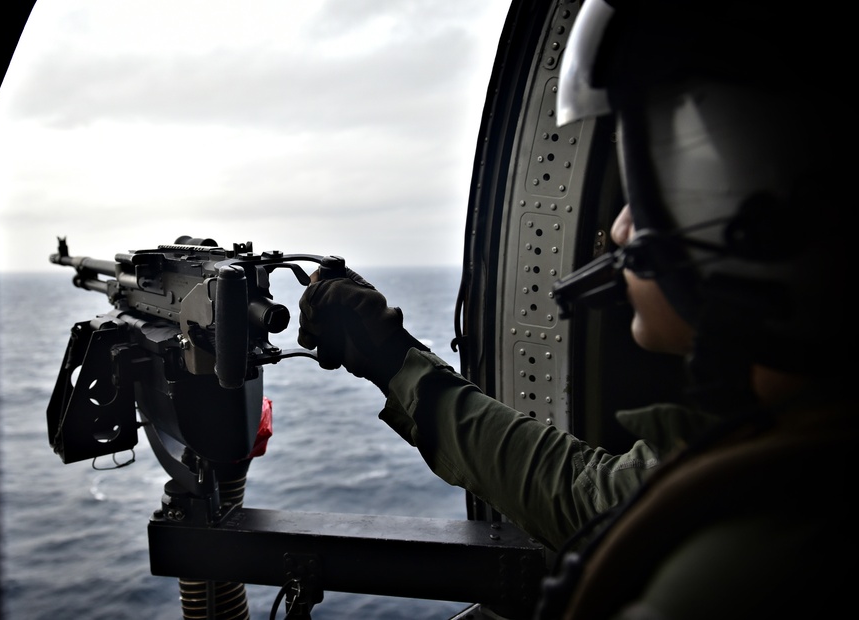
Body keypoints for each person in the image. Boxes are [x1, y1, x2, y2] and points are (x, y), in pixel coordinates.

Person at [297, 0, 855, 617]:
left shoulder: (735, 561)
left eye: (643, 190)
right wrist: (392, 361)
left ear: (747, 210)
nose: (619, 231)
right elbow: (580, 495)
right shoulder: (768, 445)